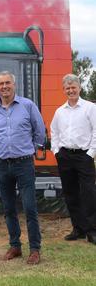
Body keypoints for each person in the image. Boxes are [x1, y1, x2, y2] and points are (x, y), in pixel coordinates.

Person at [0, 71, 45, 264]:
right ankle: (15, 246)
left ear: (14, 84)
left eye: (8, 83)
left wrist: (30, 150)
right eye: (1, 84)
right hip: (3, 165)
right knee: (8, 208)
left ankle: (35, 250)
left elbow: (39, 132)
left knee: (30, 207)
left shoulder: (28, 106)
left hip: (24, 164)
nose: (4, 86)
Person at [50, 73, 96, 245]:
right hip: (65, 157)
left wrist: (90, 154)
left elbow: (95, 131)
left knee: (89, 193)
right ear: (64, 90)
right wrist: (56, 151)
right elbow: (53, 131)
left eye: (73, 87)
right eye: (67, 88)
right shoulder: (59, 111)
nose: (71, 90)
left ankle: (92, 230)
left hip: (84, 156)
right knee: (70, 194)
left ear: (79, 87)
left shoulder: (90, 108)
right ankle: (78, 228)